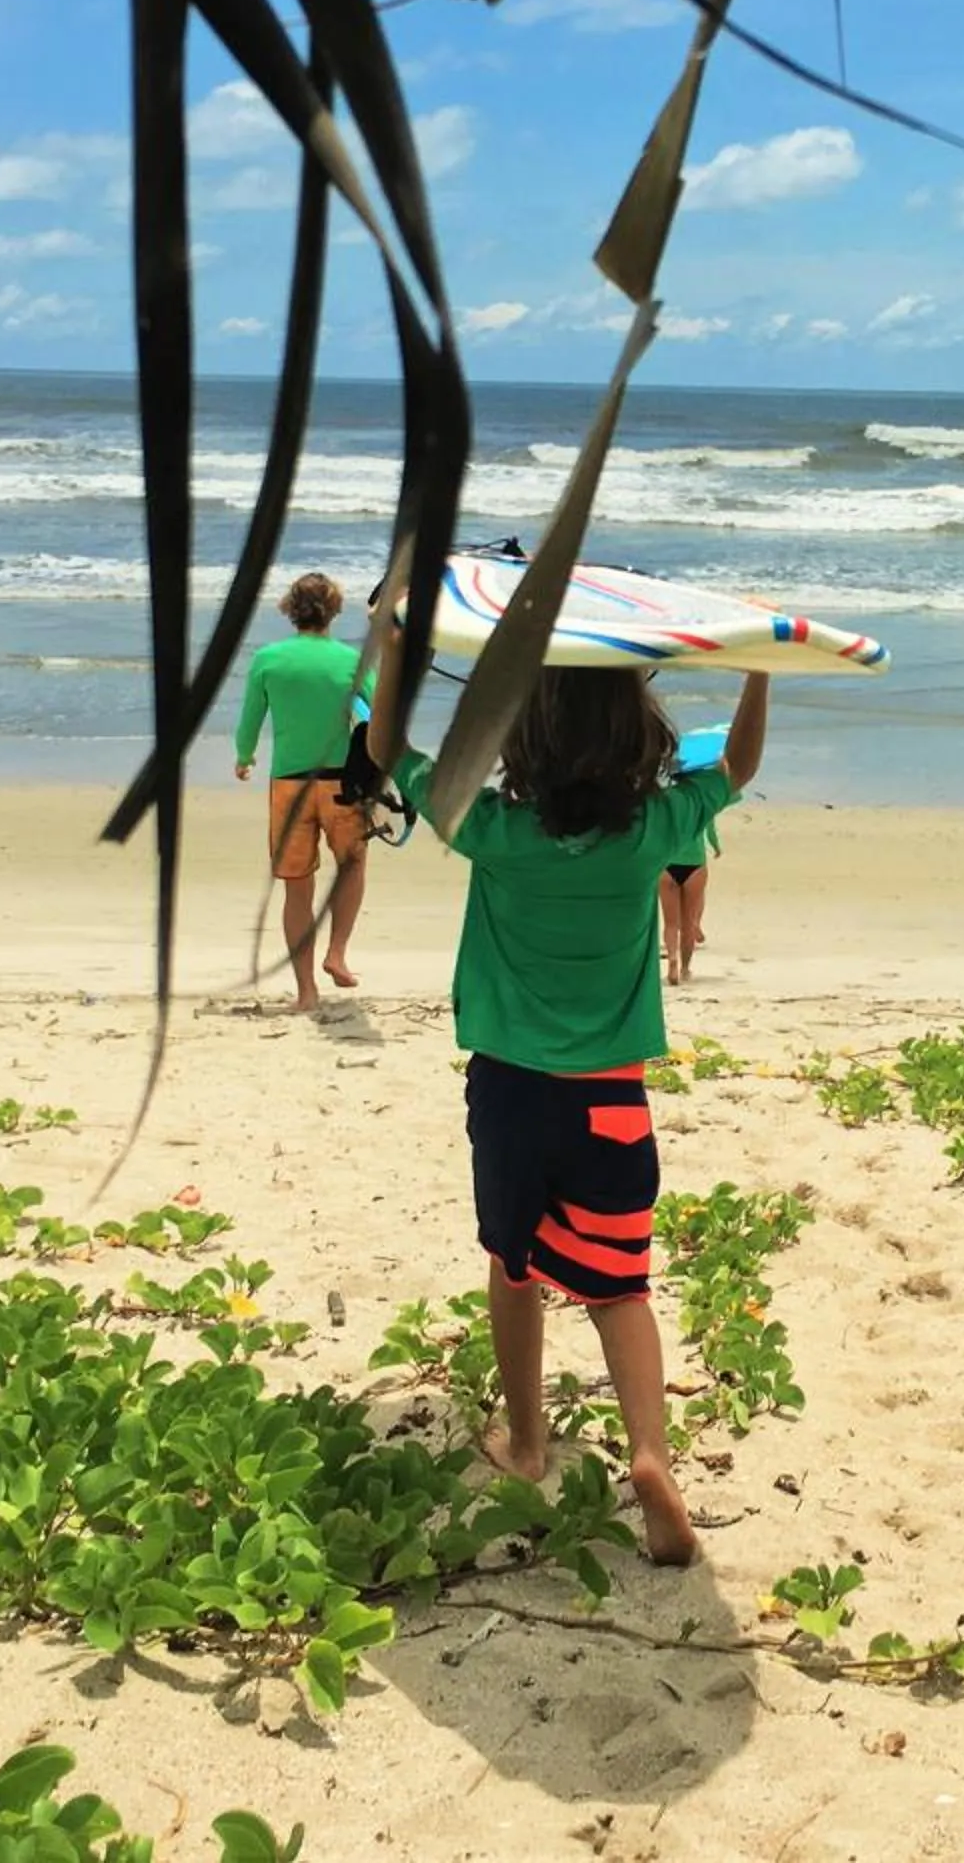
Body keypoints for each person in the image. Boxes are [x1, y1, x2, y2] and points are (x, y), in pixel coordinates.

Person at [393, 666, 770, 1568]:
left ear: (526, 740)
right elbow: (741, 768)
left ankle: (527, 1445)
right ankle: (649, 1454)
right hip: (612, 1102)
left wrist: (389, 653)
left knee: (514, 1265)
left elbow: (388, 754)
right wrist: (761, 668)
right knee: (619, 1288)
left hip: (513, 1092)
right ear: (637, 736)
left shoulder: (494, 832)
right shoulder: (656, 830)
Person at [233, 573, 373, 1012]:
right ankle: (337, 953)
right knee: (351, 867)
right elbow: (374, 721)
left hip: (290, 784)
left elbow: (251, 716)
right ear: (334, 610)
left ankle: (306, 993)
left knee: (298, 888)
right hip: (341, 784)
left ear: (289, 610)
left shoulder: (269, 659)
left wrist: (244, 755)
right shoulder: (353, 661)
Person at [657, 724, 728, 987]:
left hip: (666, 864)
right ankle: (686, 969)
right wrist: (722, 765)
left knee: (670, 922)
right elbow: (731, 794)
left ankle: (672, 961)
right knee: (689, 923)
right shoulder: (701, 803)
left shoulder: (663, 800)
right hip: (695, 865)